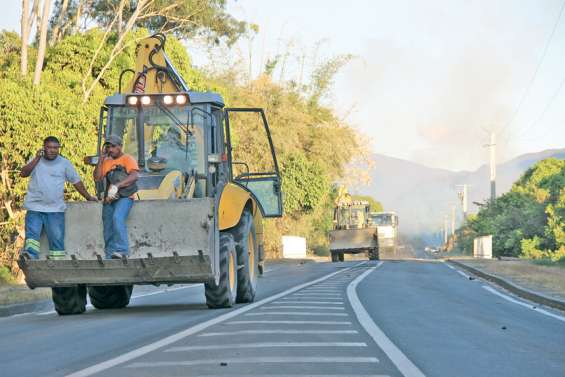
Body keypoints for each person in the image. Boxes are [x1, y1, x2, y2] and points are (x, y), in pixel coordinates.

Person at [20, 136, 97, 260]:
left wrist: (88, 197)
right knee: (32, 237)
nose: (52, 150)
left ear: (59, 149)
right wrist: (36, 158)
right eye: (49, 147)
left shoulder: (64, 163)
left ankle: (57, 263)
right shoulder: (35, 160)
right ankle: (30, 258)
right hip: (34, 207)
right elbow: (23, 173)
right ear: (44, 148)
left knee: (56, 239)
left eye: (56, 148)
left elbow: (76, 181)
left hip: (55, 210)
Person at [93, 135, 139, 259]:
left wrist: (117, 186)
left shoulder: (127, 159)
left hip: (125, 197)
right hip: (109, 199)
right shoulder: (107, 161)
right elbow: (97, 177)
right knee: (108, 227)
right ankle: (110, 256)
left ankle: (123, 251)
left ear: (120, 146)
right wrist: (101, 159)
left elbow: (134, 176)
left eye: (113, 146)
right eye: (108, 147)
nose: (110, 149)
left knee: (117, 218)